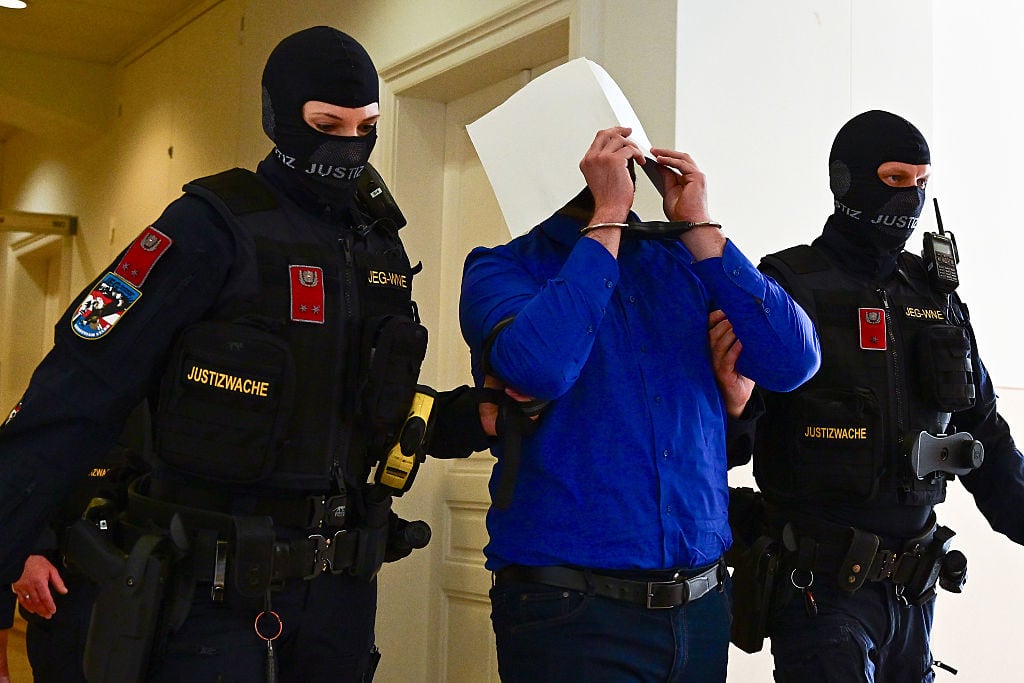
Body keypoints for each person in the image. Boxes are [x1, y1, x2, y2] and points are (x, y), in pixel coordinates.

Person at [0, 26, 485, 682]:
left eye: (364, 126)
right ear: (278, 119)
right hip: (213, 607)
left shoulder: (379, 249)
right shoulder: (209, 227)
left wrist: (480, 415)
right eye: (325, 124)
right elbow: (75, 392)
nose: (348, 146)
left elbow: (379, 413)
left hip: (338, 606)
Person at [458, 126, 821, 682]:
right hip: (571, 612)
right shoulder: (500, 268)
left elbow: (794, 363)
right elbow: (542, 366)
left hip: (700, 607)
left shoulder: (682, 263)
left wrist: (699, 223)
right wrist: (606, 216)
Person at [730, 109, 1024, 682]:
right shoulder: (788, 286)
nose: (909, 199)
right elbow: (728, 438)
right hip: (819, 591)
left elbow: (984, 434)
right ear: (846, 180)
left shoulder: (935, 298)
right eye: (894, 180)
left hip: (915, 595)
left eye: (921, 183)